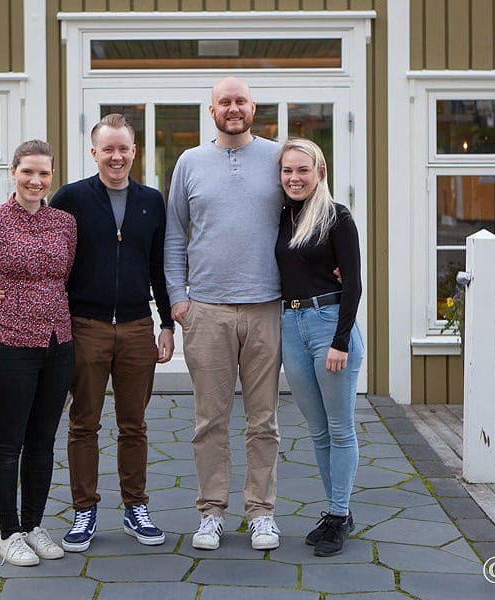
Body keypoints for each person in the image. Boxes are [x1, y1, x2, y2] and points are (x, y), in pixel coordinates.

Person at [0, 114, 175, 552]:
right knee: (82, 423)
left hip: (136, 327)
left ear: (134, 151)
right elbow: (32, 243)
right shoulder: (70, 198)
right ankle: (84, 511)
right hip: (83, 327)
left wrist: (166, 323)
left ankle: (136, 508)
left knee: (134, 425)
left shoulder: (152, 201)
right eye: (107, 148)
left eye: (124, 148)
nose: (116, 156)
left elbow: (158, 267)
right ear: (94, 153)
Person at [164, 77, 284, 551]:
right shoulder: (190, 162)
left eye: (240, 101)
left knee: (264, 421)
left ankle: (261, 513)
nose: (233, 109)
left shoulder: (278, 158)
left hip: (267, 306)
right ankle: (211, 511)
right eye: (224, 102)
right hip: (206, 310)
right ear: (210, 110)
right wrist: (178, 299)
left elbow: (310, 212)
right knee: (209, 420)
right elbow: (174, 235)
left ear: (254, 106)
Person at [0, 140, 76, 567]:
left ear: (52, 177)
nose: (36, 180)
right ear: (13, 172)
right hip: (9, 346)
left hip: (58, 344)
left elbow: (65, 279)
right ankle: (8, 533)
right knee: (7, 442)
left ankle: (34, 525)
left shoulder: (64, 223)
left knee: (42, 442)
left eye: (44, 173)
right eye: (28, 172)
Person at [276, 137, 363, 557]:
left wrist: (341, 341)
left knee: (341, 427)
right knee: (317, 429)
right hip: (289, 324)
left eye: (302, 170)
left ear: (320, 172)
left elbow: (354, 284)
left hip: (329, 325)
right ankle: (338, 512)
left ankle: (337, 513)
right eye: (287, 171)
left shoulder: (336, 217)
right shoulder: (281, 218)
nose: (294, 178)